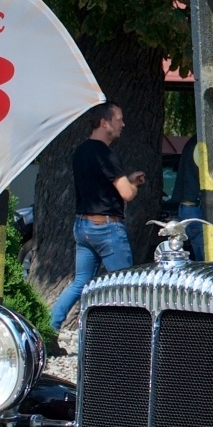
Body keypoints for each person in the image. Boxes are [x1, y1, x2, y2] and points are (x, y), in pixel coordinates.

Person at [48, 102, 146, 330]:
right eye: (119, 119)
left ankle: (49, 327)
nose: (123, 123)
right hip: (107, 228)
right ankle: (127, 338)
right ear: (104, 122)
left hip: (83, 226)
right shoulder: (107, 154)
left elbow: (99, 188)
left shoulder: (81, 151)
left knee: (81, 282)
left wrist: (128, 179)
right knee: (125, 285)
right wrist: (132, 185)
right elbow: (127, 194)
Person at [170, 134, 205, 261]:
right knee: (207, 264)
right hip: (197, 208)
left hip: (189, 207)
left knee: (203, 260)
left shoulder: (193, 142)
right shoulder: (203, 143)